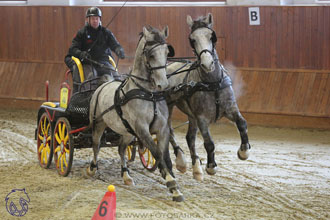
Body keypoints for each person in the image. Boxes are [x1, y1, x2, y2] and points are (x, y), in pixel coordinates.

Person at [64, 7, 125, 93]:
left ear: (100, 19)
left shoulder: (106, 32)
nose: (95, 21)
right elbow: (73, 49)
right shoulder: (82, 33)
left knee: (116, 78)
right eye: (93, 18)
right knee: (91, 79)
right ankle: (88, 100)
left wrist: (119, 50)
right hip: (88, 63)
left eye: (97, 18)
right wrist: (81, 54)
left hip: (104, 63)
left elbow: (115, 45)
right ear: (87, 19)